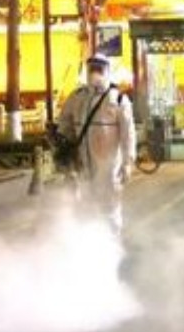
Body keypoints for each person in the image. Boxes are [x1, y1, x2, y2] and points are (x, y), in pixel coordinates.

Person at [57, 54, 137, 235]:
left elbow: (128, 134)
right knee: (85, 202)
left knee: (110, 204)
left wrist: (127, 162)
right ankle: (89, 239)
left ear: (107, 71)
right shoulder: (76, 97)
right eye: (92, 69)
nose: (95, 73)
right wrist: (64, 148)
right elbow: (65, 125)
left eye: (99, 69)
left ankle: (112, 240)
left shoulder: (118, 99)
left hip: (109, 165)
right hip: (83, 162)